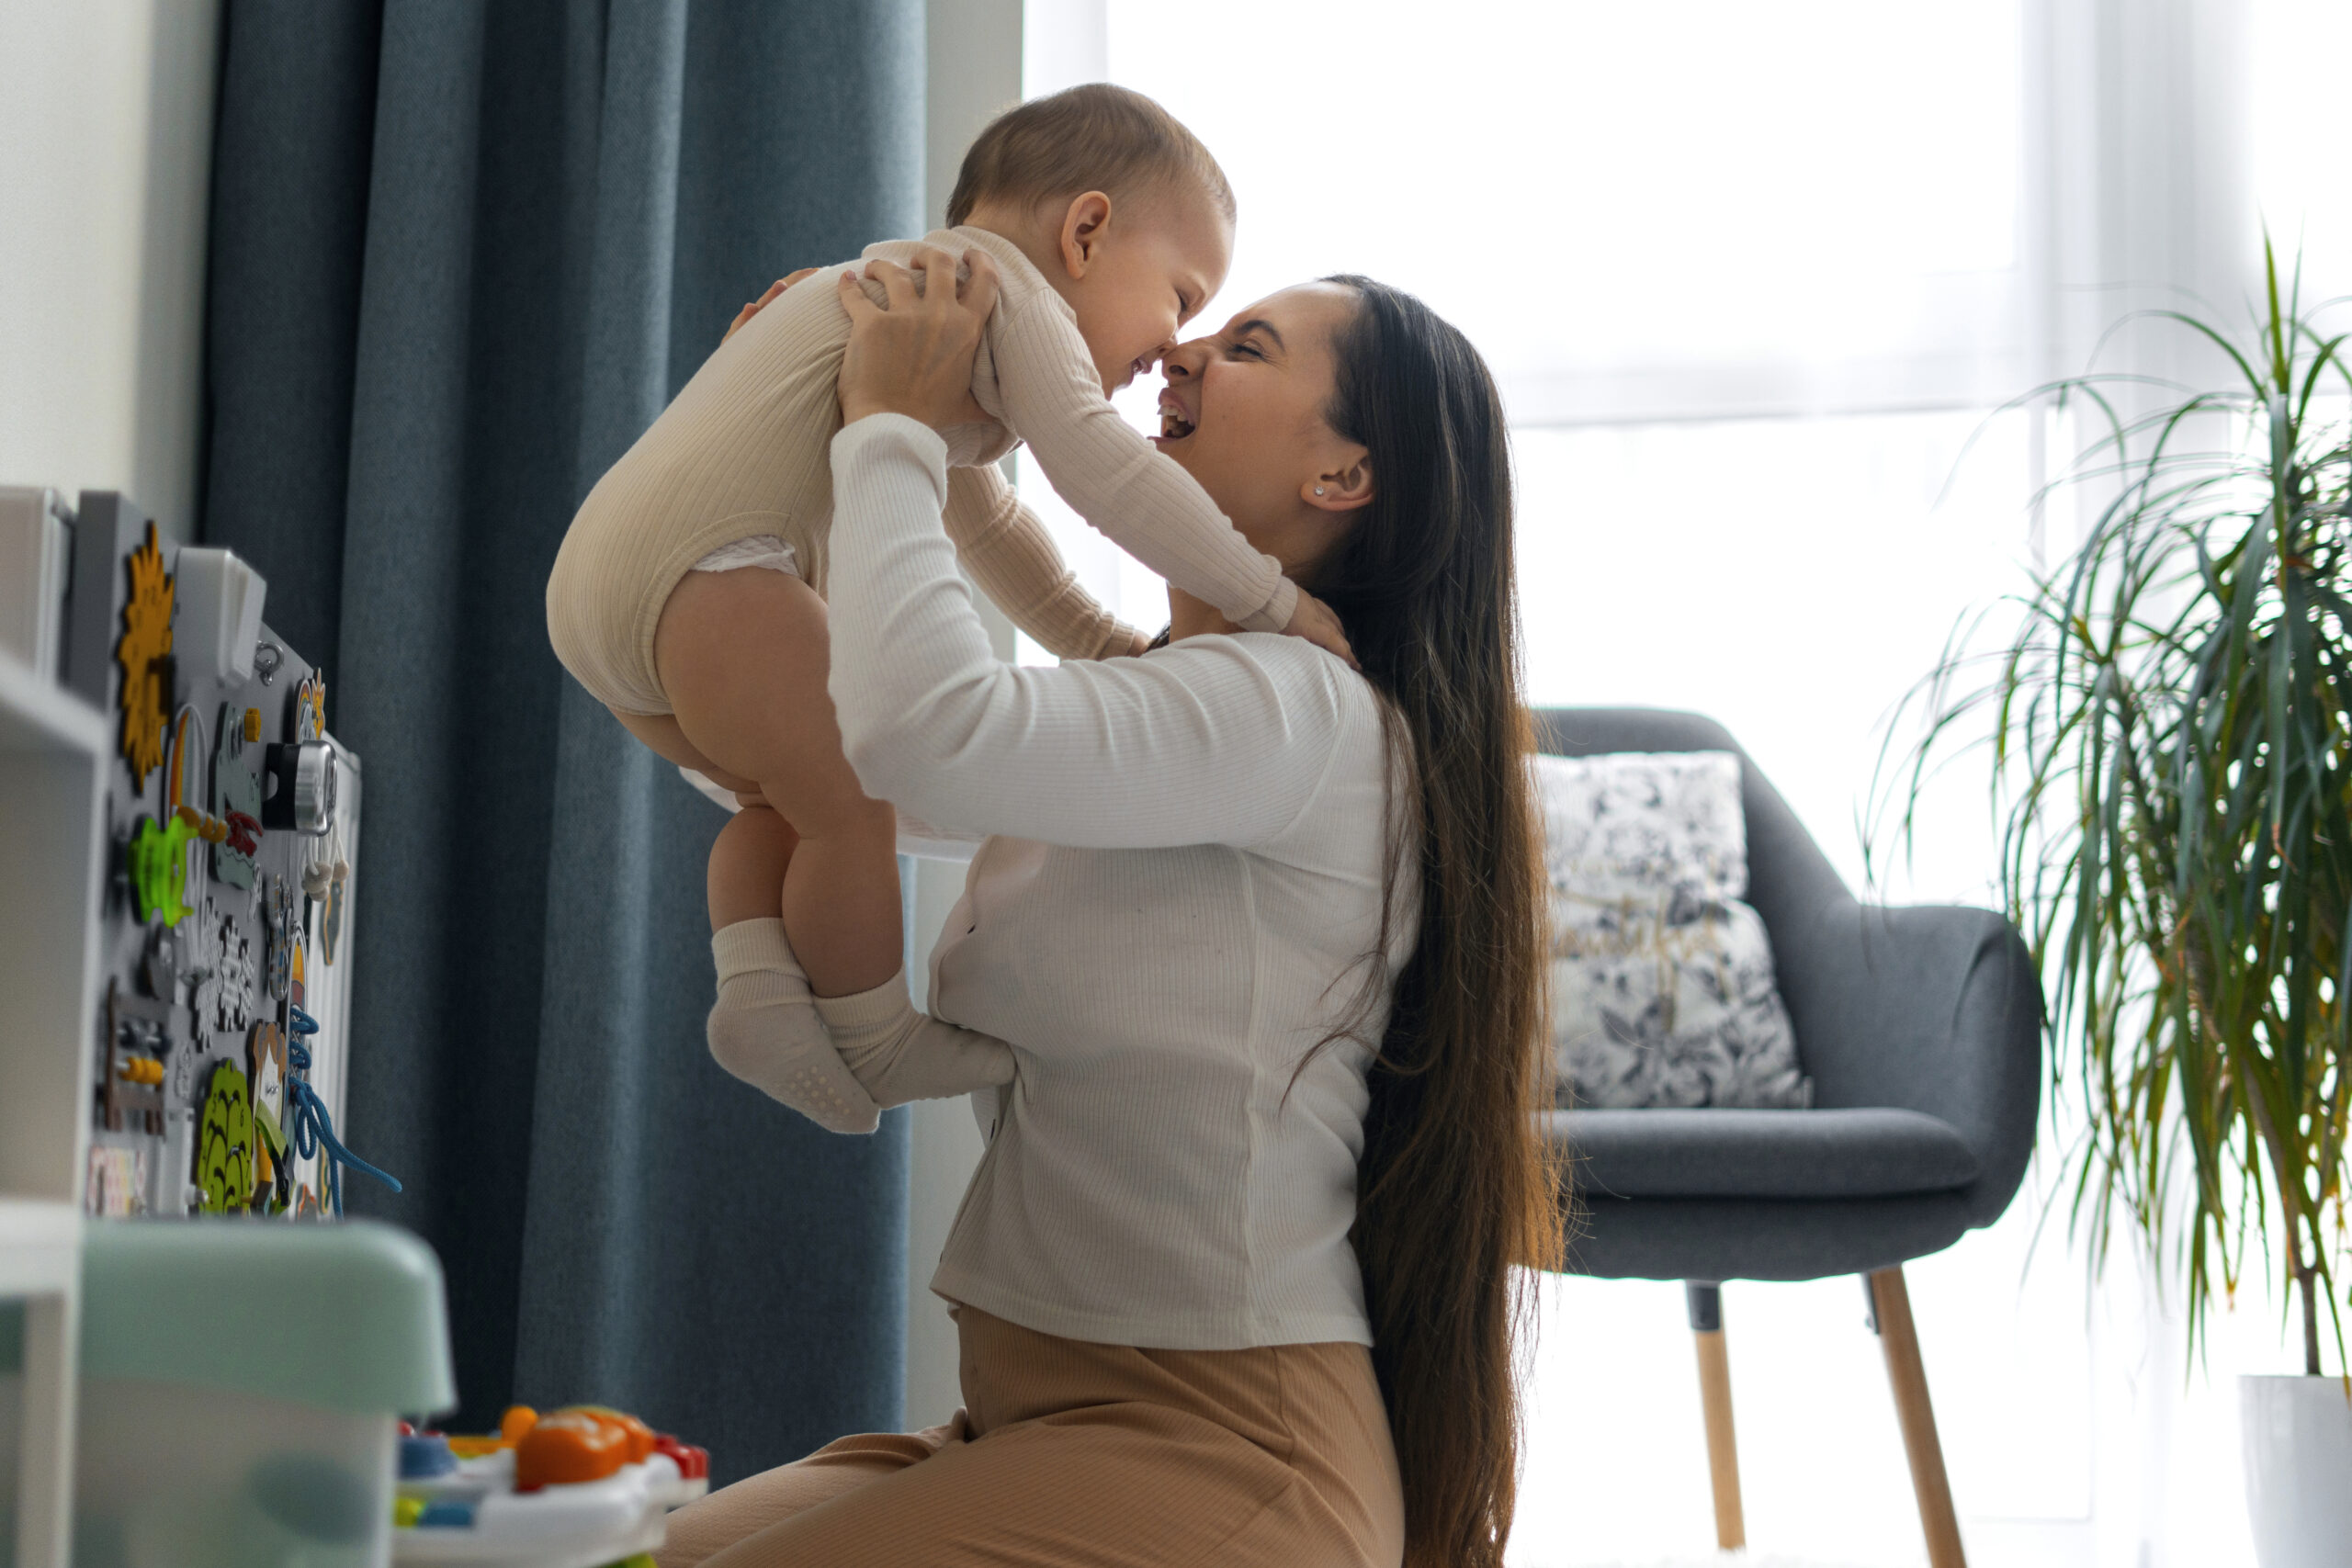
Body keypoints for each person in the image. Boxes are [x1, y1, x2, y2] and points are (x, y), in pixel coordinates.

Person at [658, 249, 1562, 1568]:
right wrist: (793, 407)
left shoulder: (1298, 710)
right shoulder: (1177, 711)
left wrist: (889, 425)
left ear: (1343, 476)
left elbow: (923, 732)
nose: (1182, 351)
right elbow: (795, 762)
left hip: (1224, 1450)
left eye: (1247, 348)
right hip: (1036, 1418)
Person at [543, 85, 1353, 1100]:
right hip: (712, 576)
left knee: (785, 798)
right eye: (1182, 300)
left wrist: (1110, 648)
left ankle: (756, 994)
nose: (1168, 352)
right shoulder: (1005, 295)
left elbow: (995, 534)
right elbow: (1103, 473)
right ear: (1086, 233)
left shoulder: (922, 314)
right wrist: (1273, 600)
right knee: (848, 808)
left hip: (613, 590)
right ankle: (876, 1037)